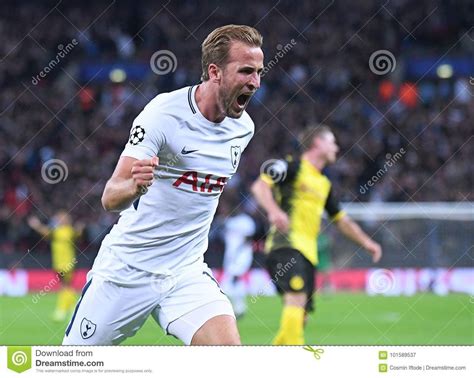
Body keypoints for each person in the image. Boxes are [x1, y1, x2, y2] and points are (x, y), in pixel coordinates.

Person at [63, 24, 264, 346]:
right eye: (245, 71)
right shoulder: (163, 114)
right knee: (71, 366)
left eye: (258, 72)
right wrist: (135, 187)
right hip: (128, 271)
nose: (254, 83)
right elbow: (110, 198)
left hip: (186, 272)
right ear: (215, 71)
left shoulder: (244, 129)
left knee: (229, 361)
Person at [251, 125, 382, 345]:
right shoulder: (292, 167)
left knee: (299, 318)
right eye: (332, 141)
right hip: (286, 246)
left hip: (308, 254)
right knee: (295, 301)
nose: (336, 147)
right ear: (317, 143)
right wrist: (274, 211)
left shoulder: (324, 184)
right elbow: (259, 187)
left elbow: (341, 220)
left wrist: (367, 242)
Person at [28, 210, 84, 321]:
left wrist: (36, 225)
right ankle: (73, 309)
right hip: (63, 263)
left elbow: (46, 232)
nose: (59, 220)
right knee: (67, 287)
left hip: (65, 263)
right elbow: (78, 234)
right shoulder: (66, 231)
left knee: (65, 286)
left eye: (61, 218)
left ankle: (62, 311)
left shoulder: (63, 231)